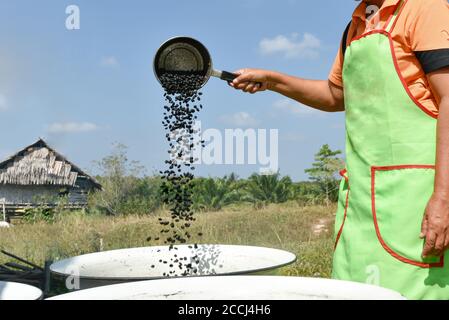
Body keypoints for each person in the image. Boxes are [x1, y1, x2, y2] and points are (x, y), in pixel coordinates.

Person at [231, 0, 449, 299]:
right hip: (362, 205)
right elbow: (335, 95)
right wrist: (273, 81)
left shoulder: (424, 8)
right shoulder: (356, 25)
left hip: (415, 203)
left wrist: (443, 197)